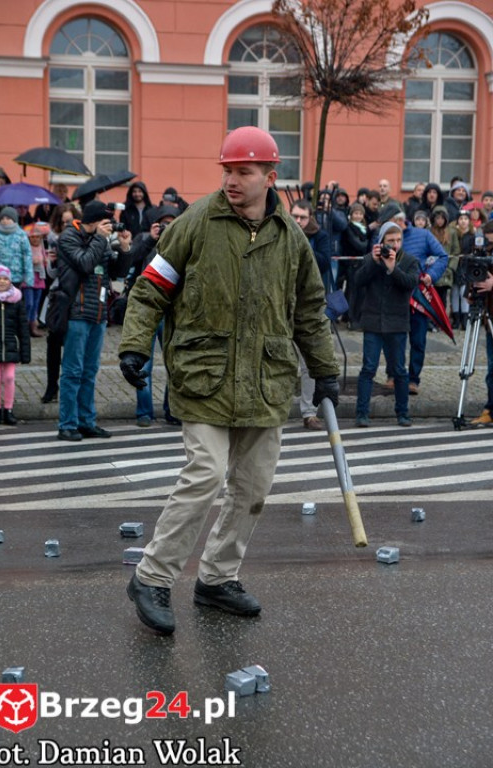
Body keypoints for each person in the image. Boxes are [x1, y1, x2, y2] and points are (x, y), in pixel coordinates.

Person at [118, 126, 340, 634]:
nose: (232, 180)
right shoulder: (197, 221)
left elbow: (310, 310)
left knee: (252, 486)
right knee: (204, 474)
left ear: (270, 176)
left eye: (243, 171)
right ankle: (152, 577)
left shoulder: (291, 238)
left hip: (265, 381)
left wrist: (325, 371)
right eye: (227, 171)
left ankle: (218, 578)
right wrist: (134, 344)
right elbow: (151, 288)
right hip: (205, 376)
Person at [56, 200, 132, 441]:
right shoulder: (69, 237)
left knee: (90, 371)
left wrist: (125, 248)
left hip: (99, 314)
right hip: (77, 313)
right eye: (105, 221)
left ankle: (86, 422)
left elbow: (117, 272)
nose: (109, 225)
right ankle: (67, 424)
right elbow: (85, 264)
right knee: (72, 372)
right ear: (94, 220)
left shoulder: (101, 240)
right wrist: (100, 238)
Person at [377, 204, 448, 394]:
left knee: (418, 340)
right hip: (393, 296)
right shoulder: (383, 236)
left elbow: (442, 256)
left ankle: (413, 379)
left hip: (417, 297)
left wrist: (431, 275)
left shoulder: (423, 235)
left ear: (399, 220)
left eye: (389, 222)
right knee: (392, 339)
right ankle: (393, 375)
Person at [355, 223, 418, 427]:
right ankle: (362, 413)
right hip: (373, 321)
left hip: (397, 323)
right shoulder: (371, 258)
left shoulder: (409, 261)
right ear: (382, 242)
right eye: (391, 241)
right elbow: (357, 281)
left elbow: (410, 283)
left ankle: (403, 413)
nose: (395, 245)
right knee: (368, 368)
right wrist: (374, 263)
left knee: (399, 370)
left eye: (398, 240)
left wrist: (393, 269)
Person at [126, 205, 182, 427]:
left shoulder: (182, 241)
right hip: (148, 311)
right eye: (163, 223)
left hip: (172, 310)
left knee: (174, 364)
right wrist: (151, 238)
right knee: (143, 365)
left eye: (171, 223)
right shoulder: (144, 238)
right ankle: (144, 412)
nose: (167, 227)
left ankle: (172, 410)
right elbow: (131, 258)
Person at [290, 198, 332, 430]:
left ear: (310, 218)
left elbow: (323, 262)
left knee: (309, 364)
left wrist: (302, 244)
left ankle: (309, 412)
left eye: (302, 217)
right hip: (283, 304)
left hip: (308, 307)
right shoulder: (280, 232)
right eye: (295, 216)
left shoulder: (320, 236)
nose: (298, 221)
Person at [40, 203, 82, 404]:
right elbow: (52, 274)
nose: (66, 225)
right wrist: (53, 261)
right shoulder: (54, 240)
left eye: (70, 221)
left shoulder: (82, 239)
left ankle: (71, 387)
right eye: (63, 222)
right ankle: (51, 385)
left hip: (77, 295)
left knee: (73, 345)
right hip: (59, 297)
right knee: (53, 343)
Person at [0, 264, 30, 425]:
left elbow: (23, 329)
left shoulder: (17, 301)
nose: (1, 281)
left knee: (9, 377)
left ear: (10, 281)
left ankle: (8, 409)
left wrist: (25, 352)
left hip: (11, 346)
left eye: (5, 279)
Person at [469, 220, 493, 425]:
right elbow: (474, 276)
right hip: (488, 315)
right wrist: (471, 291)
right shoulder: (483, 254)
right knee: (492, 367)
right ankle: (490, 409)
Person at [0, 207, 34, 289]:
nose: (5, 220)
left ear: (14, 220)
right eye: (2, 218)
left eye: (8, 218)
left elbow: (27, 255)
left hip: (16, 277)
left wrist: (29, 277)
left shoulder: (21, 234)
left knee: (14, 296)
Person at [340, 202, 370, 330]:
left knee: (356, 292)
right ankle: (352, 319)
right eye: (356, 213)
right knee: (353, 292)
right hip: (352, 263)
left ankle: (349, 316)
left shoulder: (364, 228)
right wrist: (366, 242)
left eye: (360, 213)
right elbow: (359, 245)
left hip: (360, 263)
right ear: (351, 215)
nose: (358, 216)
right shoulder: (349, 228)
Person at [429, 206, 460, 315]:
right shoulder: (429, 232)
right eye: (437, 218)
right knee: (431, 298)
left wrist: (451, 267)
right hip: (431, 269)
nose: (440, 221)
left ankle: (442, 319)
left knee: (443, 299)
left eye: (442, 218)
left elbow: (456, 251)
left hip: (446, 271)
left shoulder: (451, 232)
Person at [22, 222, 49, 337]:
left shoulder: (42, 246)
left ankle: (33, 326)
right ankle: (25, 325)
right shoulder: (26, 247)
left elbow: (45, 260)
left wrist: (46, 260)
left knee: (36, 304)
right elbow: (24, 260)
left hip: (40, 278)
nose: (35, 239)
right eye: (32, 237)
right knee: (29, 303)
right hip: (28, 278)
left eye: (37, 237)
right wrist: (32, 260)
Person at [449, 209, 475, 329]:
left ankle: (465, 319)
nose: (463, 221)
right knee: (454, 293)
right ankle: (456, 319)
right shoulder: (454, 234)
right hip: (456, 266)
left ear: (469, 221)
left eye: (465, 219)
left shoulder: (472, 235)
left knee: (464, 293)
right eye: (461, 219)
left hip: (466, 267)